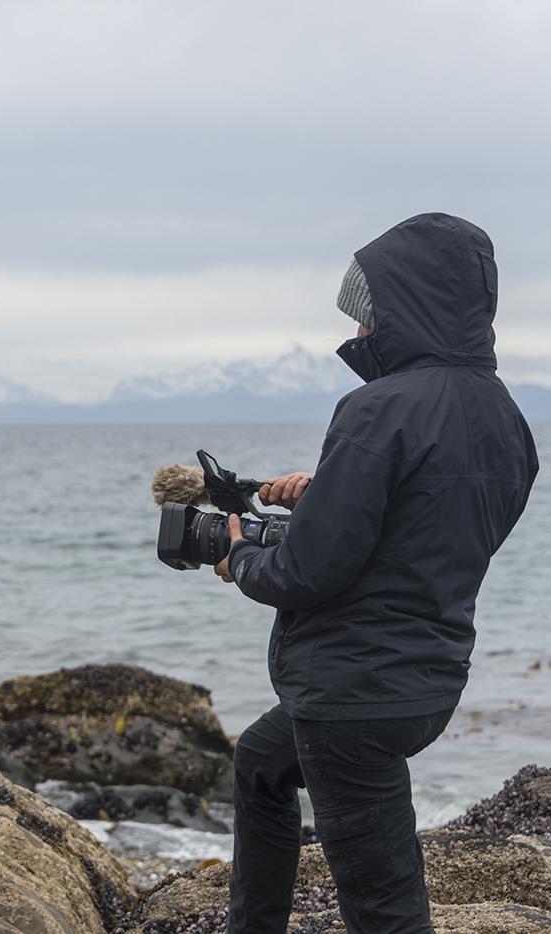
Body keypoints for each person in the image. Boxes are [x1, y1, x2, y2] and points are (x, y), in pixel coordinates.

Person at [212, 213, 538, 933]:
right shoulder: (506, 417)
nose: (359, 334)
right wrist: (326, 492)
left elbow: (305, 573)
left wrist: (238, 557)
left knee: (384, 912)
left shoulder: (375, 409)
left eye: (369, 317)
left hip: (351, 697)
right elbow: (427, 530)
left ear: (406, 309)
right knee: (261, 765)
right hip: (425, 682)